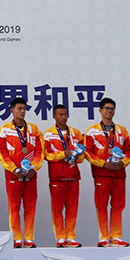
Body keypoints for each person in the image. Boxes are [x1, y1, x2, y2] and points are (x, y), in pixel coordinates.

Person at [84, 97, 130, 247]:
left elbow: (129, 152)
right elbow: (87, 152)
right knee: (102, 205)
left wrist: (122, 163)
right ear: (100, 110)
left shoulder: (122, 130)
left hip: (119, 173)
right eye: (106, 108)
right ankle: (104, 237)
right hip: (102, 173)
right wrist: (103, 164)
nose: (109, 111)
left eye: (112, 109)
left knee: (118, 205)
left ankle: (116, 236)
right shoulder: (92, 131)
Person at [0, 97, 44, 248]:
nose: (22, 111)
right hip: (13, 176)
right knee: (14, 208)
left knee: (30, 208)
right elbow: (2, 153)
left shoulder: (34, 129)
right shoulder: (4, 130)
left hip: (30, 175)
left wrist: (33, 168)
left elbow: (40, 151)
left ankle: (29, 239)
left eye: (24, 109)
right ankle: (17, 239)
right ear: (12, 110)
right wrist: (14, 169)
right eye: (19, 109)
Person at [43, 105, 85, 248]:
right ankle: (60, 238)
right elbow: (46, 155)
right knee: (57, 209)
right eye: (60, 114)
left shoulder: (76, 133)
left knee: (72, 209)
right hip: (57, 177)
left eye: (65, 114)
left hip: (73, 176)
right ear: (54, 117)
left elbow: (83, 155)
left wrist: (76, 156)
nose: (63, 117)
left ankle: (71, 237)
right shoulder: (48, 134)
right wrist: (63, 154)